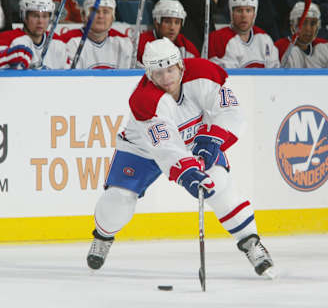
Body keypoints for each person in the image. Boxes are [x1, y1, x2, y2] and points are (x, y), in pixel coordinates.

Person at [86, 37, 275, 279]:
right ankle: (103, 236)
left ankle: (251, 243)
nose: (166, 78)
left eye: (171, 70)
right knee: (118, 199)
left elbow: (231, 112)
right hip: (142, 149)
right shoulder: (145, 100)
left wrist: (212, 140)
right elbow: (165, 147)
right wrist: (187, 172)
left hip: (196, 140)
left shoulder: (205, 74)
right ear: (149, 75)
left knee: (219, 186)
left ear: (181, 66)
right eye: (159, 73)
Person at [60, 0, 132, 69]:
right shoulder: (67, 41)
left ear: (112, 17)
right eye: (95, 11)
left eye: (105, 11)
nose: (101, 16)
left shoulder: (124, 43)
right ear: (84, 15)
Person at [208, 0, 280, 68]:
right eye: (239, 11)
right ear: (231, 13)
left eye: (248, 11)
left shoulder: (264, 39)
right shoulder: (218, 38)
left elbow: (274, 71)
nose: (244, 16)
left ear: (254, 14)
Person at [0, 0, 68, 69]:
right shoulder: (6, 40)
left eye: (45, 16)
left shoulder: (57, 43)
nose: (40, 21)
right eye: (35, 16)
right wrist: (7, 57)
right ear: (24, 16)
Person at [136, 0, 199, 67]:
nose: (172, 27)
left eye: (177, 22)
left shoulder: (187, 48)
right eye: (167, 22)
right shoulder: (140, 44)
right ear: (156, 23)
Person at [275, 1, 328, 68]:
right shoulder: (279, 49)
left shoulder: (326, 48)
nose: (308, 29)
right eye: (303, 23)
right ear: (292, 25)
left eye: (313, 23)